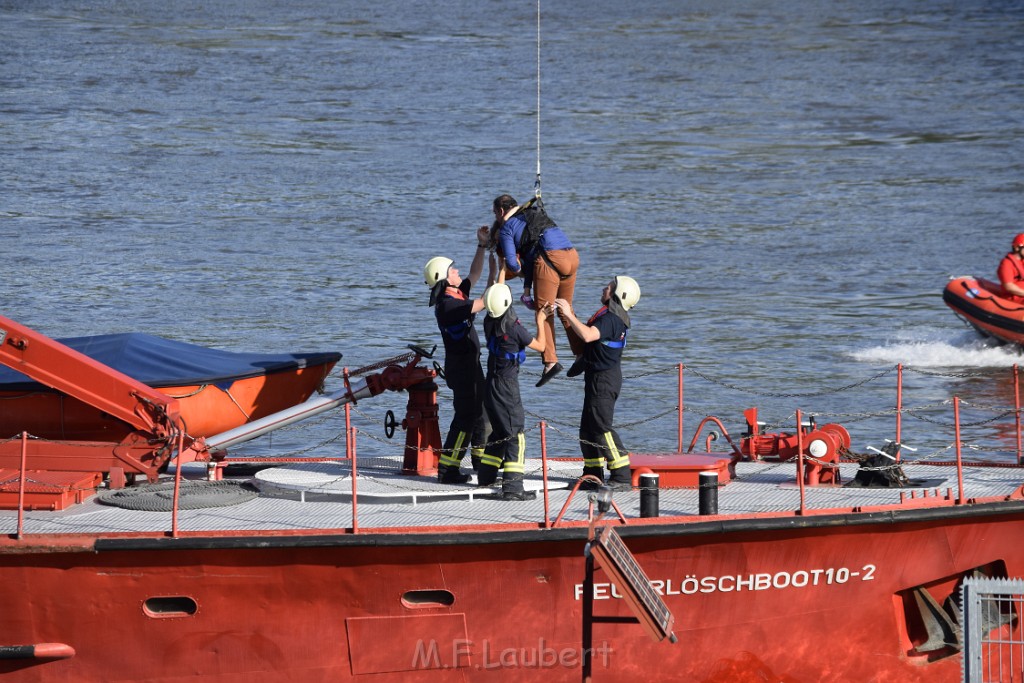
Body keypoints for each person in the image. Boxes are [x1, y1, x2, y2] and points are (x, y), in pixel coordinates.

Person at [552, 276, 641, 490]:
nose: (604, 288)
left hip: (605, 380)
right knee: (587, 429)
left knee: (601, 427)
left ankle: (621, 475)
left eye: (609, 287)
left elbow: (588, 335)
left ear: (618, 295)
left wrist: (568, 314)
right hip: (596, 377)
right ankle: (592, 474)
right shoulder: (610, 316)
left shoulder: (612, 319)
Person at [423, 226, 494, 484]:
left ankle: (480, 459)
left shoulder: (456, 293)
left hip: (469, 366)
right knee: (465, 417)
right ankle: (448, 470)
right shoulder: (450, 306)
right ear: (444, 279)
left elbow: (475, 273)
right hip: (462, 369)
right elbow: (486, 301)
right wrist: (502, 276)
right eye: (452, 270)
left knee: (481, 413)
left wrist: (483, 246)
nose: (457, 270)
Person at [491, 194, 579, 388]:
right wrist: (528, 288)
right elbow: (532, 255)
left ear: (501, 211)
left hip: (549, 258)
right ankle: (581, 353)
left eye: (495, 214)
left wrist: (513, 272)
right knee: (565, 308)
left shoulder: (507, 227)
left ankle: (550, 362)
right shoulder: (533, 213)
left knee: (545, 311)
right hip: (571, 255)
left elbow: (513, 264)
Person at [478, 282, 546, 500]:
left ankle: (486, 476)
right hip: (507, 387)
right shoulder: (515, 329)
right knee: (516, 434)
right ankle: (513, 488)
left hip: (490, 384)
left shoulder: (489, 321)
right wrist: (540, 321)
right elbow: (542, 346)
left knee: (499, 433)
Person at [998, 233, 1024, 302]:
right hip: (1014, 297)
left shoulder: (1022, 262)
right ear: (1017, 248)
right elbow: (1009, 286)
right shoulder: (1006, 264)